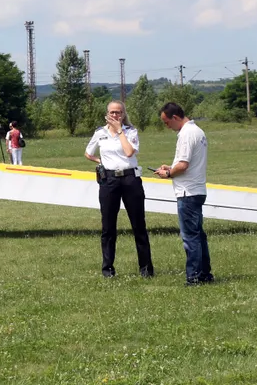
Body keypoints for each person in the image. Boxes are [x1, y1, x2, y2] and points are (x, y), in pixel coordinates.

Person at [84, 100, 154, 278]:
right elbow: (88, 153)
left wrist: (120, 130)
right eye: (112, 112)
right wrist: (102, 162)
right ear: (107, 114)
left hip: (130, 179)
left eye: (119, 112)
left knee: (138, 224)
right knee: (108, 227)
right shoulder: (100, 133)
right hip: (109, 181)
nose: (115, 115)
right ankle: (108, 269)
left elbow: (129, 152)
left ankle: (146, 268)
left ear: (124, 114)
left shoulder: (131, 132)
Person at [155, 102, 213, 286]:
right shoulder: (198, 131)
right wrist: (170, 168)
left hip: (188, 192)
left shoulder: (186, 134)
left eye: (166, 122)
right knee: (198, 235)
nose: (167, 127)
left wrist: (168, 173)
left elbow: (183, 165)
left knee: (190, 237)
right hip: (197, 189)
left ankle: (194, 277)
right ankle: (204, 273)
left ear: (175, 118)